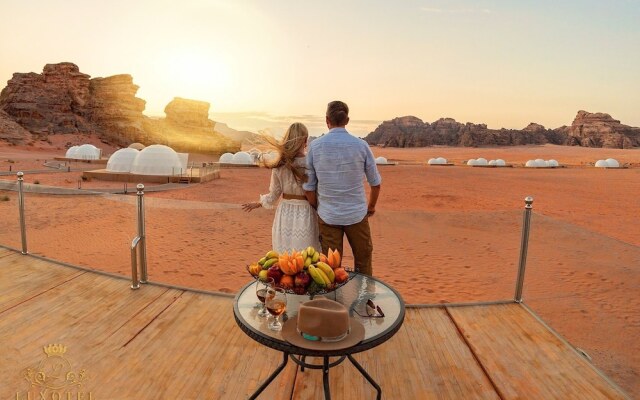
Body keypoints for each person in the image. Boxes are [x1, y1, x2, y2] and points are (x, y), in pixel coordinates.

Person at [303, 101, 381, 275]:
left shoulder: (315, 147)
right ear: (347, 120)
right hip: (357, 214)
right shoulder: (361, 146)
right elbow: (375, 183)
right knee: (363, 261)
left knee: (330, 268)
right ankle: (363, 298)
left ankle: (333, 301)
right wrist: (371, 207)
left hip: (328, 216)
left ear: (327, 120)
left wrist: (319, 206)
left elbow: (308, 188)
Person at [242, 123, 321, 254]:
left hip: (285, 212)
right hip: (306, 212)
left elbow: (274, 194)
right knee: (307, 256)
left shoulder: (280, 164)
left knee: (285, 255)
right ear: (305, 140)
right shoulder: (311, 162)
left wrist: (259, 203)